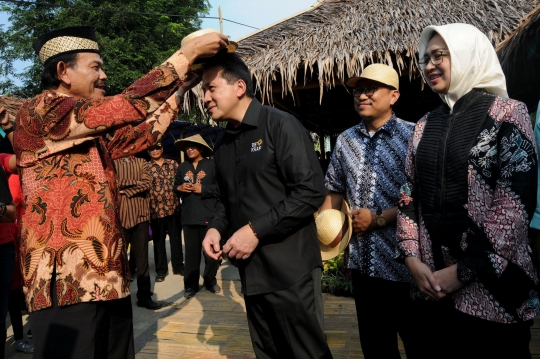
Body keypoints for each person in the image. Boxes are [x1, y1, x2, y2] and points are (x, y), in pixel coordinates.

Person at [8, 26, 228, 358]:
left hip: (107, 278)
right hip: (66, 285)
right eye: (95, 67)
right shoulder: (38, 113)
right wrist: (187, 55)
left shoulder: (85, 133)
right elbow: (125, 106)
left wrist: (179, 91)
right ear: (62, 71)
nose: (104, 75)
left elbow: (137, 136)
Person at [397, 23, 539, 359]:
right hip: (432, 289)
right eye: (425, 59)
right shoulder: (424, 125)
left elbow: (514, 203)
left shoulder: (508, 114)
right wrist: (411, 256)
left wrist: (462, 271)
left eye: (439, 56)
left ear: (466, 56)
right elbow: (407, 195)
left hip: (494, 292)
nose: (430, 65)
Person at [201, 53, 333, 359]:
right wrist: (214, 229)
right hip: (251, 273)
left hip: (290, 269)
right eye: (203, 91)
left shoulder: (280, 125)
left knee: (306, 353)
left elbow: (310, 191)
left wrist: (255, 231)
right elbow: (223, 199)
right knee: (269, 353)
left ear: (239, 87)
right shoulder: (222, 143)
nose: (206, 98)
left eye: (211, 88)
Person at [321, 64, 418, 358]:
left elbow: (424, 197)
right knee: (376, 347)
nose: (361, 95)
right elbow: (335, 189)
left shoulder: (414, 136)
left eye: (370, 89)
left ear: (394, 95)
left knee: (419, 342)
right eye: (357, 90)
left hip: (407, 264)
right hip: (364, 263)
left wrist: (377, 219)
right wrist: (326, 233)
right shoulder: (345, 140)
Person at [175, 134, 221, 299]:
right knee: (191, 254)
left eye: (193, 146)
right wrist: (180, 188)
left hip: (209, 215)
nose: (190, 149)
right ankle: (190, 285)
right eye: (187, 147)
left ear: (201, 148)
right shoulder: (182, 167)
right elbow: (175, 186)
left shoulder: (212, 165)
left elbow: (221, 189)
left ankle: (210, 280)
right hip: (189, 216)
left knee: (211, 254)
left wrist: (204, 190)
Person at [114, 155, 160, 309]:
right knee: (118, 261)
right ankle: (119, 298)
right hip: (120, 217)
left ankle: (144, 296)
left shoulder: (143, 163)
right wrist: (135, 184)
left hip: (140, 216)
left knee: (142, 261)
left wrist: (124, 190)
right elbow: (112, 183)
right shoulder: (113, 162)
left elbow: (147, 183)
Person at [147, 142, 184, 282]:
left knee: (176, 239)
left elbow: (180, 181)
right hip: (156, 210)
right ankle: (161, 270)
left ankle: (178, 266)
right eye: (152, 148)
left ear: (162, 149)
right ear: (149, 152)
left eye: (157, 148)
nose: (155, 151)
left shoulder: (173, 164)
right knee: (158, 242)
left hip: (174, 208)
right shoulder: (146, 167)